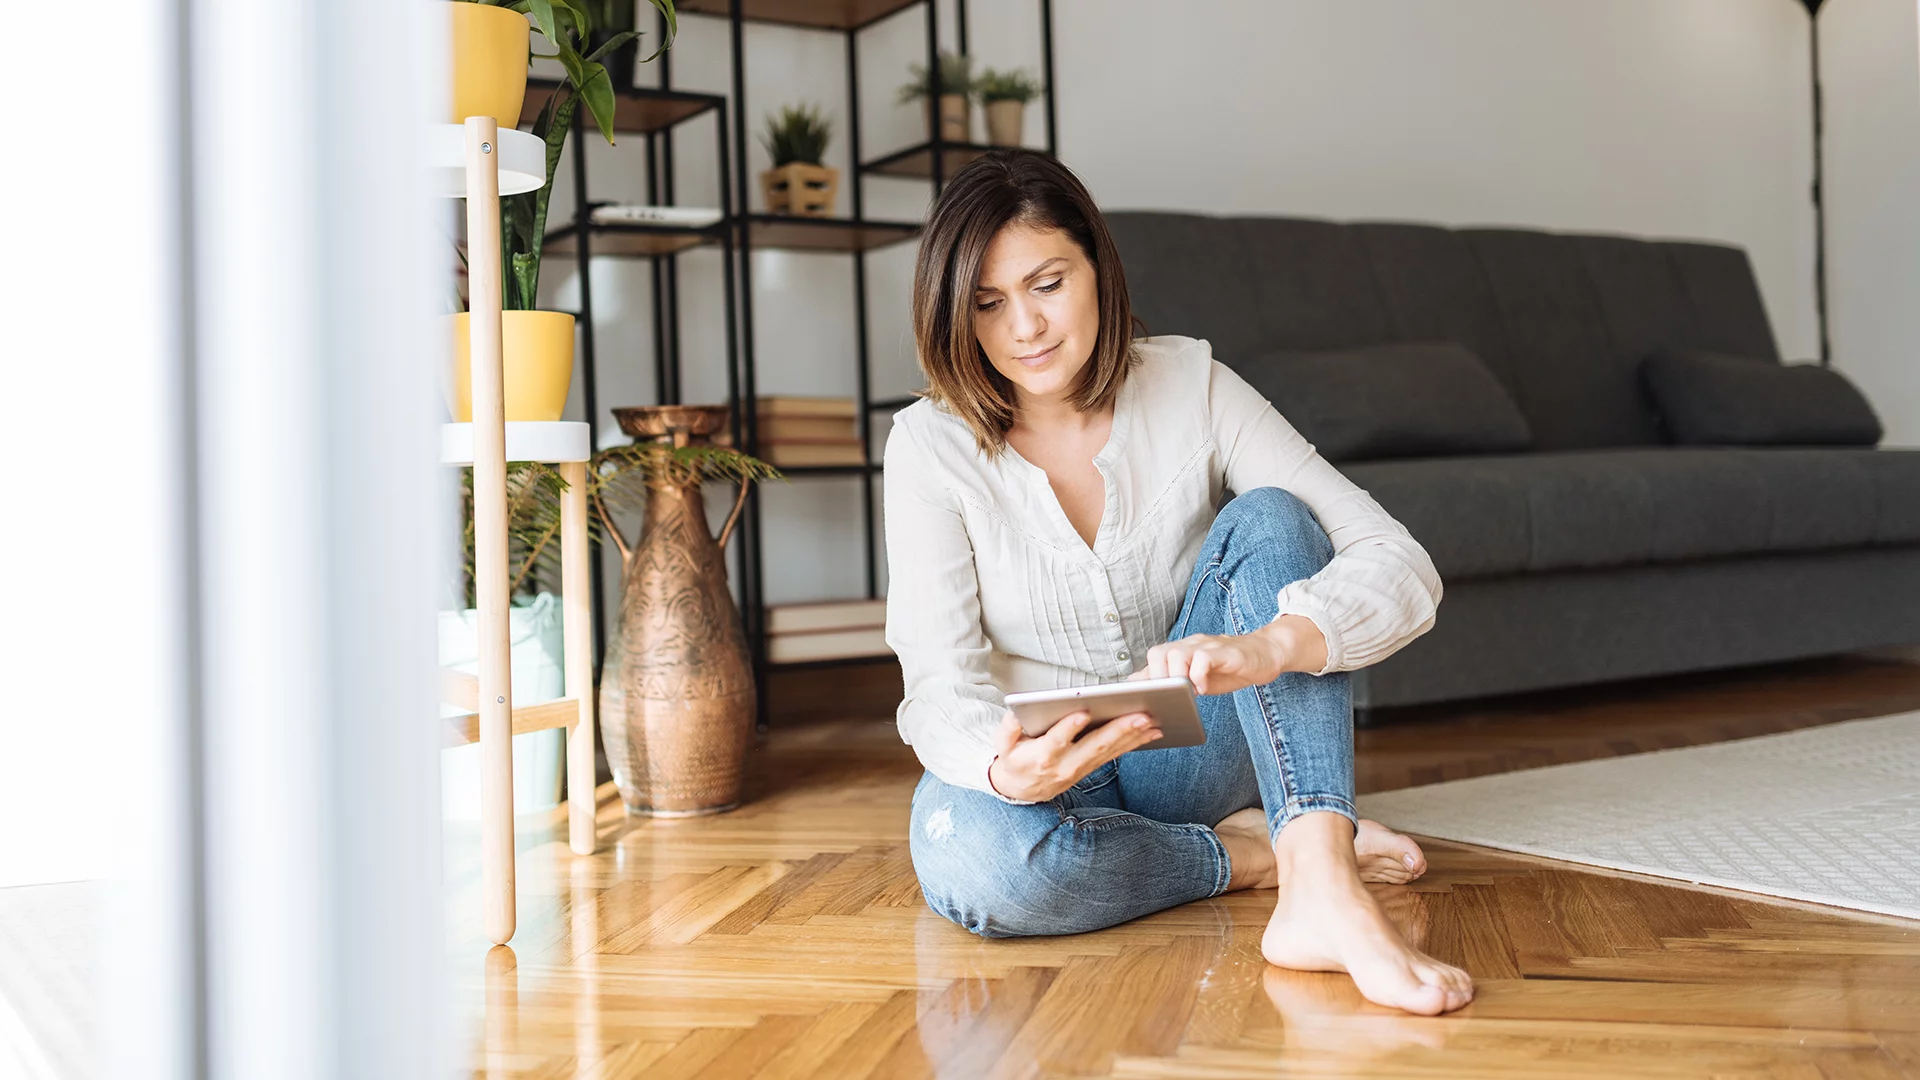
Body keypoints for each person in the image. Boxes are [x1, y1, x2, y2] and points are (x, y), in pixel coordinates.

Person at [881, 148, 1472, 1015]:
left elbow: (1399, 561)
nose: (1025, 330)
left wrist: (1271, 644)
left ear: (1097, 267)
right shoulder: (927, 446)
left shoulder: (1194, 384)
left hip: (1198, 753)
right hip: (1050, 769)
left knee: (1275, 516)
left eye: (1048, 284)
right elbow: (936, 686)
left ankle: (1322, 887)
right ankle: (1267, 856)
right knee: (969, 858)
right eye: (988, 303)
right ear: (956, 314)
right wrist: (1005, 771)